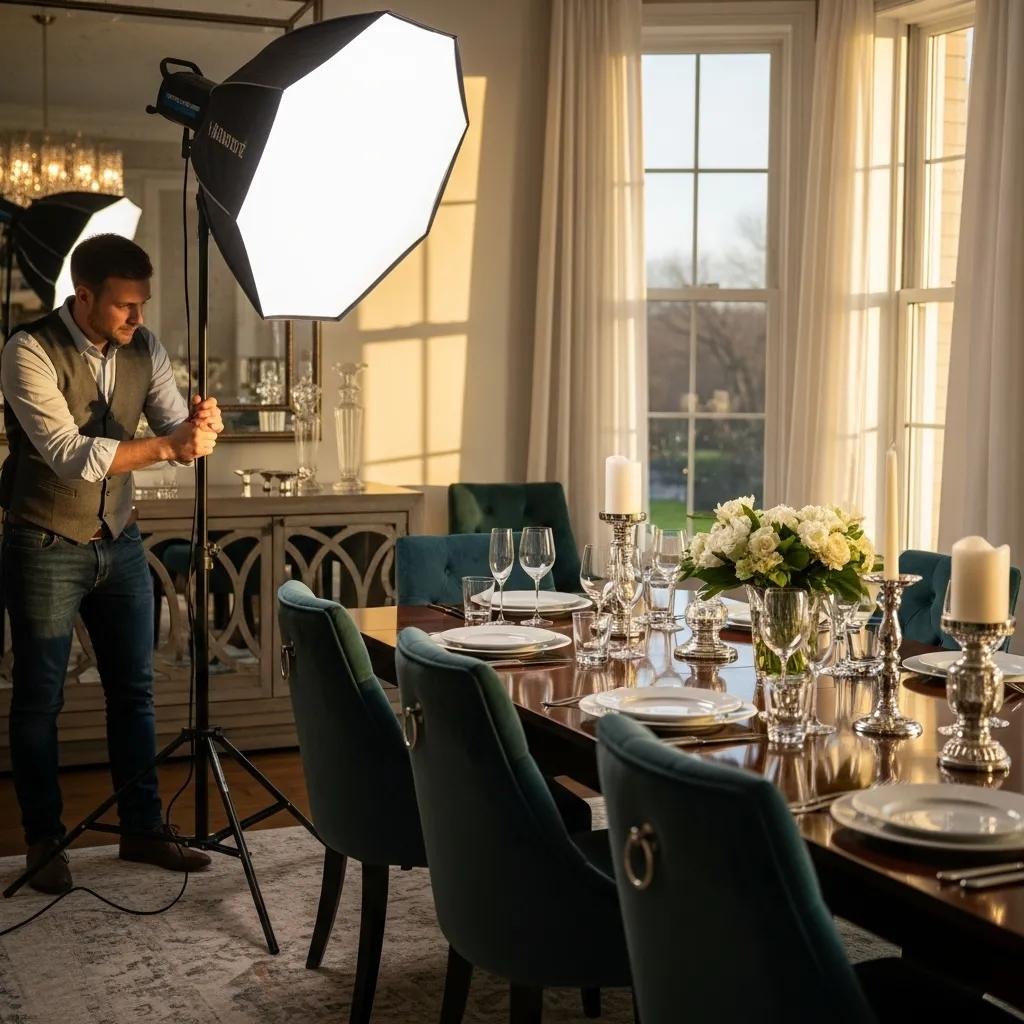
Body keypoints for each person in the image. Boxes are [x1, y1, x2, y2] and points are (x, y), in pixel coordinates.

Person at [1, 233, 222, 893]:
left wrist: (200, 429)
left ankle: (142, 829)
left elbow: (175, 425)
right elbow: (70, 452)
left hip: (119, 540)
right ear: (84, 296)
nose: (137, 319)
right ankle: (45, 841)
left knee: (136, 692)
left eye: (142, 305)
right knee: (40, 700)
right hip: (44, 539)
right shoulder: (27, 349)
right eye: (125, 306)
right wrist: (168, 446)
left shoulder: (145, 348)